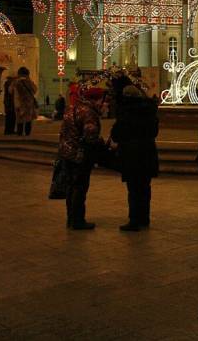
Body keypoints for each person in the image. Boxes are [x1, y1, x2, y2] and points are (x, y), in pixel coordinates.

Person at [111, 83, 159, 231]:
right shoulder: (150, 110)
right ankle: (144, 218)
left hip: (131, 153)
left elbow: (117, 135)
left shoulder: (125, 111)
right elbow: (154, 131)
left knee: (133, 189)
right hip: (147, 152)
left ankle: (134, 220)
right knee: (145, 187)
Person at [58, 86, 105, 230]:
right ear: (95, 100)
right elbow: (90, 135)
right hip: (80, 155)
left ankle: (71, 218)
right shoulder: (88, 113)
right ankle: (78, 220)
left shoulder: (71, 109)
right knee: (80, 187)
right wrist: (101, 143)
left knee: (71, 187)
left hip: (67, 153)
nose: (104, 104)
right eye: (102, 100)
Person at [10, 67, 37, 136]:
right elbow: (35, 90)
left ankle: (20, 133)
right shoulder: (30, 82)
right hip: (28, 103)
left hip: (18, 103)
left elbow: (10, 91)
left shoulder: (15, 82)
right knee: (28, 119)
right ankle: (27, 133)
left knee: (19, 119)